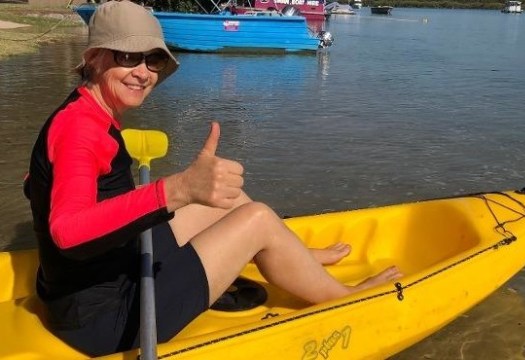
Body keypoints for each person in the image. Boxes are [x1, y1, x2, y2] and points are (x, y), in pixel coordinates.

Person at [24, 1, 401, 357]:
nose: (143, 72)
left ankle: (297, 258)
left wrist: (175, 191)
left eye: (152, 59)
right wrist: (178, 189)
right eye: (127, 57)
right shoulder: (80, 129)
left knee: (228, 199)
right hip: (104, 318)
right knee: (258, 219)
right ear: (94, 59)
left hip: (102, 276)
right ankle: (342, 296)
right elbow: (67, 231)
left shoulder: (84, 109)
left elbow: (42, 184)